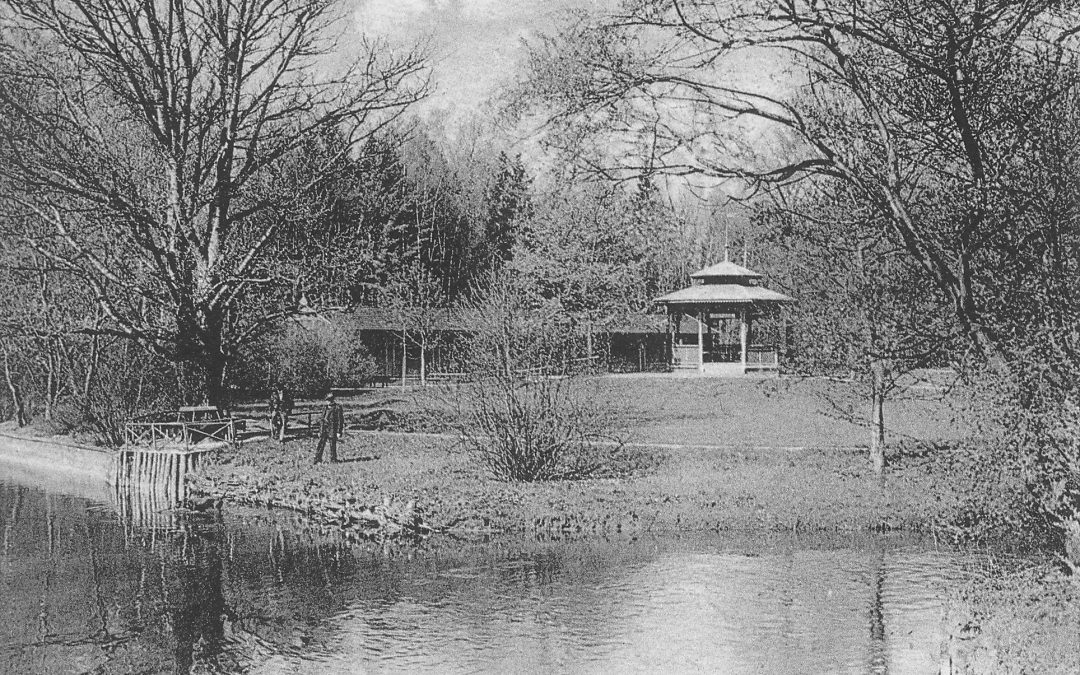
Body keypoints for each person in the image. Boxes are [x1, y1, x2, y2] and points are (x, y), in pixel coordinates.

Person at [313, 392, 344, 464]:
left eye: (329, 400)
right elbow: (322, 419)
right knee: (321, 444)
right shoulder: (325, 407)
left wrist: (339, 431)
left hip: (332, 429)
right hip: (324, 429)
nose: (327, 402)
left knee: (332, 445)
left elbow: (340, 420)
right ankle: (317, 459)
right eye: (326, 400)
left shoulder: (337, 408)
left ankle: (333, 459)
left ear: (332, 400)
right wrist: (320, 430)